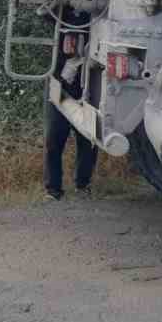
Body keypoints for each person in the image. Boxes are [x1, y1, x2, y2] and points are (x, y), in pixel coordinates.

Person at [44, 31, 97, 201]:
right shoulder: (60, 20)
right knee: (53, 139)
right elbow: (45, 13)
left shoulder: (94, 23)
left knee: (88, 140)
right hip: (59, 88)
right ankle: (53, 189)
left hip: (87, 90)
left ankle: (82, 185)